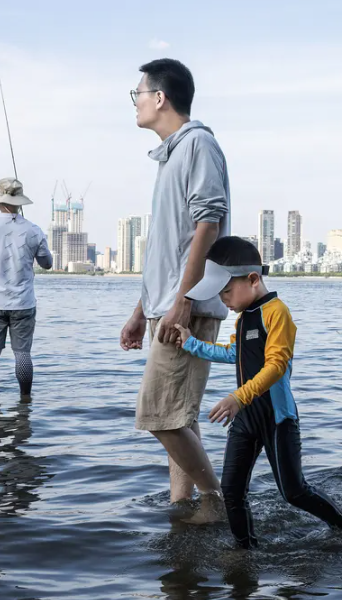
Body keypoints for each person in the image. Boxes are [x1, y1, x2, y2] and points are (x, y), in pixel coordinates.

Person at [174, 236, 342, 549]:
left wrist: (237, 397)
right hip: (246, 419)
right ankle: (245, 551)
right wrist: (191, 343)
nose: (224, 301)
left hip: (277, 418)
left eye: (227, 291)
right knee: (231, 491)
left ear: (253, 279)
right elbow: (235, 353)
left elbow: (276, 366)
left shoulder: (277, 313)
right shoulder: (244, 318)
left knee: (293, 492)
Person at [119, 58, 230, 522]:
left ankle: (216, 501)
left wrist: (183, 302)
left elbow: (210, 221)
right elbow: (168, 250)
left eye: (138, 94)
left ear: (159, 97)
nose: (136, 102)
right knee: (177, 417)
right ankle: (183, 508)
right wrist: (141, 310)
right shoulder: (171, 155)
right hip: (168, 307)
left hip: (186, 309)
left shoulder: (198, 144)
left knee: (158, 415)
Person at [0, 177, 53, 397]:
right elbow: (47, 263)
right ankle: (25, 401)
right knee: (23, 354)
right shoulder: (33, 230)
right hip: (23, 304)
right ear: (20, 202)